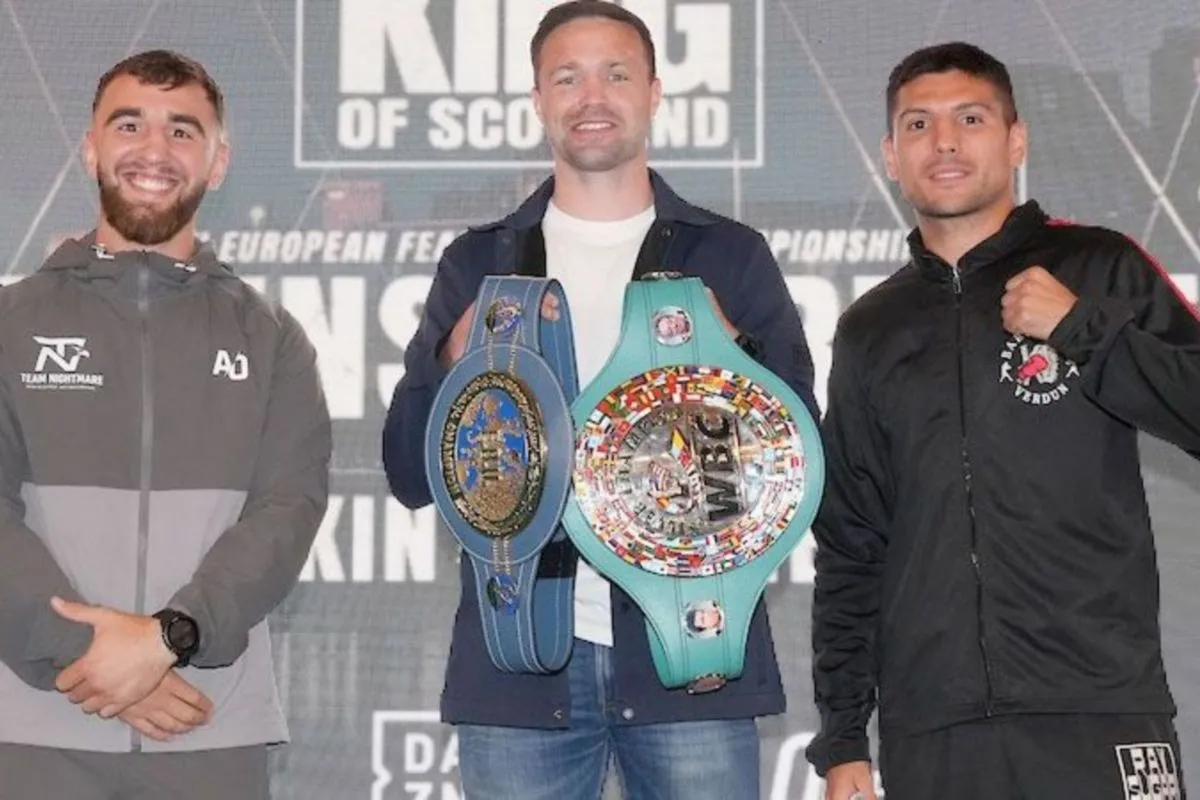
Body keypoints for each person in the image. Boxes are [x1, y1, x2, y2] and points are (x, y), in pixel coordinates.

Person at [382, 2, 818, 797]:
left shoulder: (729, 255)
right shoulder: (477, 263)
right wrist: (448, 362)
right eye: (567, 77)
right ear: (537, 100)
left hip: (692, 663)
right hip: (519, 673)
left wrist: (739, 357)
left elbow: (799, 462)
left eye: (616, 74)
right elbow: (410, 474)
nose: (592, 96)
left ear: (654, 92)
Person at [807, 41, 1199, 800]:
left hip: (1098, 704)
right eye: (918, 124)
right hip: (936, 726)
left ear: (1016, 140)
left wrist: (1084, 330)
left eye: (970, 119)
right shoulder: (871, 329)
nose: (944, 142)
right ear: (891, 156)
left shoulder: (1099, 267)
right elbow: (852, 543)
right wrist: (845, 736)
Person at [0, 50, 331, 799]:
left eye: (183, 131)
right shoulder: (10, 324)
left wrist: (167, 639)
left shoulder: (272, 338)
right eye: (129, 125)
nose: (154, 150)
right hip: (37, 723)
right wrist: (89, 654)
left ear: (219, 163)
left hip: (206, 723)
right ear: (90, 148)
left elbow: (288, 511)